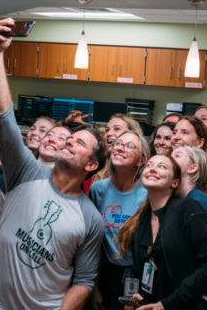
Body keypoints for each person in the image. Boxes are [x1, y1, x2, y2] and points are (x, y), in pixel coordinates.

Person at [0, 18, 108, 310]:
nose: (69, 141)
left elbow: (84, 281)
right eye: (70, 138)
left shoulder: (90, 219)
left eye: (81, 143)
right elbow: (2, 117)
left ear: (91, 165)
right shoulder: (25, 172)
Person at [0, 125, 72, 310]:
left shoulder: (70, 189)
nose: (51, 139)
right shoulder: (15, 175)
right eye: (49, 134)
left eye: (62, 139)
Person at [117, 155, 207, 310]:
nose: (152, 168)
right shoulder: (140, 222)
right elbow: (150, 272)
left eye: (162, 166)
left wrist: (168, 303)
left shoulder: (186, 208)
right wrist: (142, 298)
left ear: (175, 183)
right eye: (150, 165)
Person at [88, 130, 150, 310]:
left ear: (141, 161)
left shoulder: (149, 193)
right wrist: (95, 288)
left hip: (140, 272)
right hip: (108, 273)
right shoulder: (97, 190)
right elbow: (95, 244)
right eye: (118, 143)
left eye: (130, 146)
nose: (121, 148)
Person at [171, 145, 207, 240]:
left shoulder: (198, 201)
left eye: (177, 156)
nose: (169, 158)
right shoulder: (181, 198)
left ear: (192, 168)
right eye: (170, 155)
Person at [93, 113, 143, 182]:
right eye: (107, 130)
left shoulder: (143, 178)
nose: (109, 134)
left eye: (117, 128)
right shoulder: (93, 168)